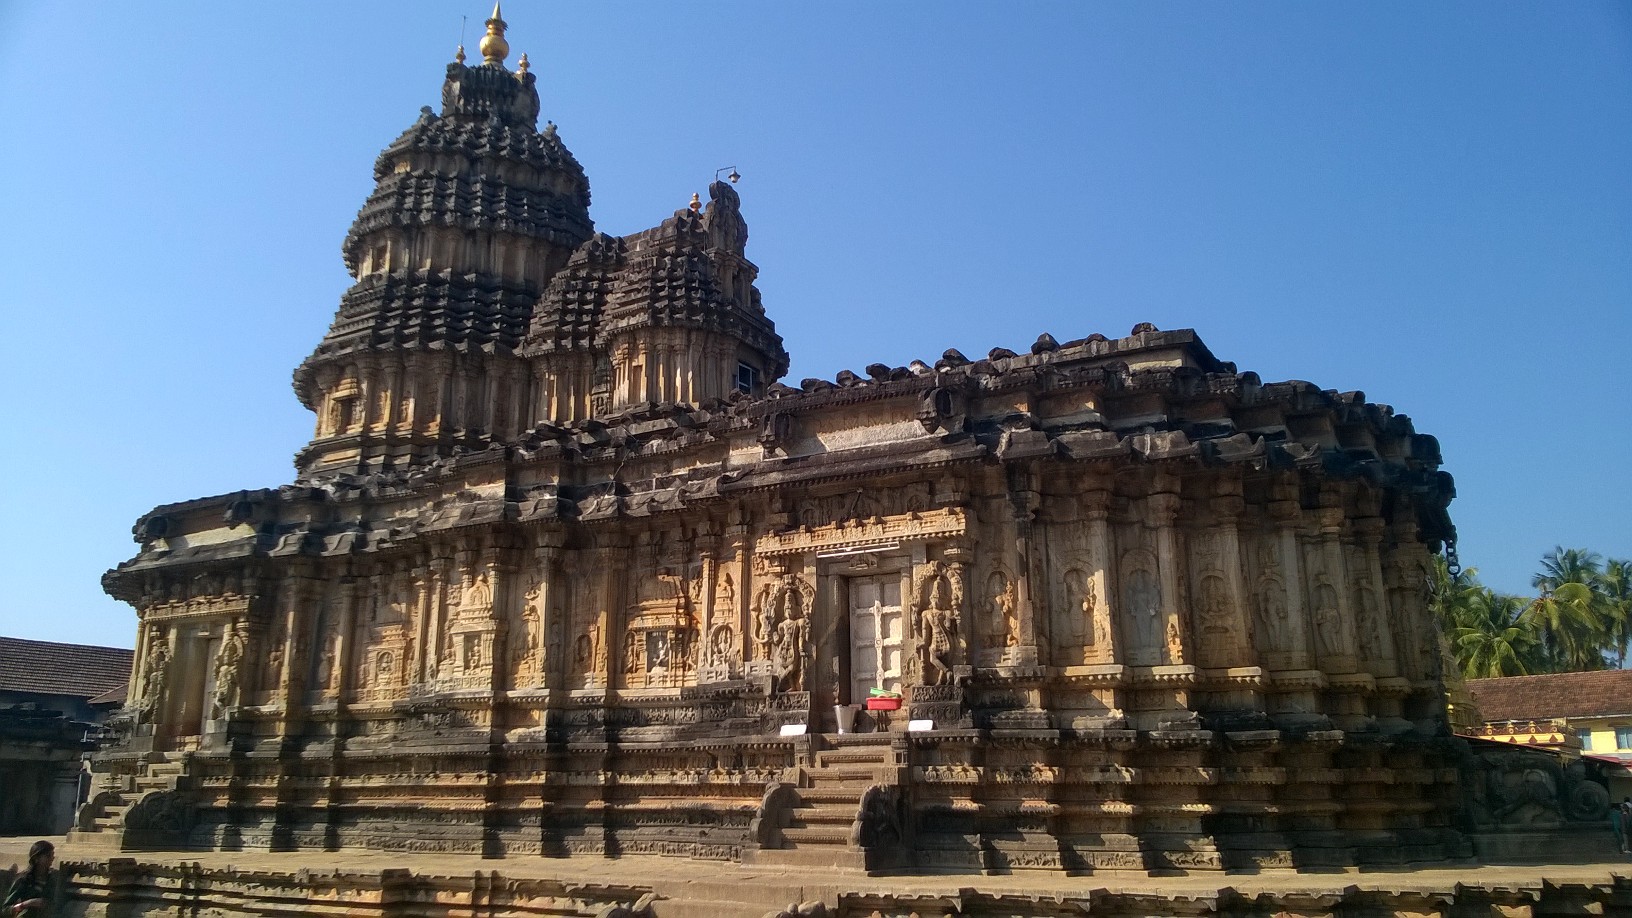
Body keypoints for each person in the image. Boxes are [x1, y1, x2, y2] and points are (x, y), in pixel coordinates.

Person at [3, 840, 53, 916]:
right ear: (36, 858)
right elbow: (6, 909)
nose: (52, 858)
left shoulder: (52, 879)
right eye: (48, 855)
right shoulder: (23, 880)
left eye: (52, 855)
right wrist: (27, 904)